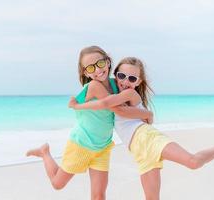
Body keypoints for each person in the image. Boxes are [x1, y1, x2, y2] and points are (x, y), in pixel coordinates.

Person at [69, 56, 214, 200]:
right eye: (121, 76)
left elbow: (109, 104)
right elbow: (112, 104)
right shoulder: (118, 94)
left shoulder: (128, 94)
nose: (126, 82)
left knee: (192, 162)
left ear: (138, 82)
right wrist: (147, 114)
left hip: (147, 137)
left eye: (132, 79)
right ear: (115, 75)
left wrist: (77, 106)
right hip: (139, 151)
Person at [26, 47, 147, 200]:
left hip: (103, 147)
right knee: (58, 184)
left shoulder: (116, 83)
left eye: (100, 63)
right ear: (86, 73)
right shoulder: (94, 86)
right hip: (82, 144)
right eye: (91, 67)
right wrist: (147, 114)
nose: (97, 70)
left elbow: (127, 106)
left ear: (108, 62)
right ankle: (45, 153)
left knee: (98, 195)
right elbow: (117, 108)